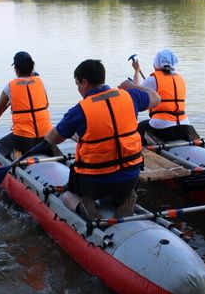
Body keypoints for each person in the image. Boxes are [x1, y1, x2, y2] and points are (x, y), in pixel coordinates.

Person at [44, 59, 161, 219]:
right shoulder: (129, 96)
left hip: (93, 182)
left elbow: (53, 139)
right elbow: (156, 97)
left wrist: (66, 132)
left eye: (77, 84)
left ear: (84, 82)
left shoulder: (80, 110)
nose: (78, 88)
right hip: (131, 177)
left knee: (67, 195)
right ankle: (126, 196)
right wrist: (134, 86)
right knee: (119, 181)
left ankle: (85, 207)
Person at [0, 51, 57, 157]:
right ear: (31, 68)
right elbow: (46, 105)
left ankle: (15, 158)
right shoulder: (40, 82)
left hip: (23, 140)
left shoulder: (10, 87)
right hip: (46, 136)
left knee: (0, 145)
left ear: (16, 69)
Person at [130, 49, 200, 143]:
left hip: (162, 128)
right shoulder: (180, 78)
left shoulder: (152, 79)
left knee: (138, 129)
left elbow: (136, 93)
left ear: (156, 64)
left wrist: (136, 71)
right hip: (184, 126)